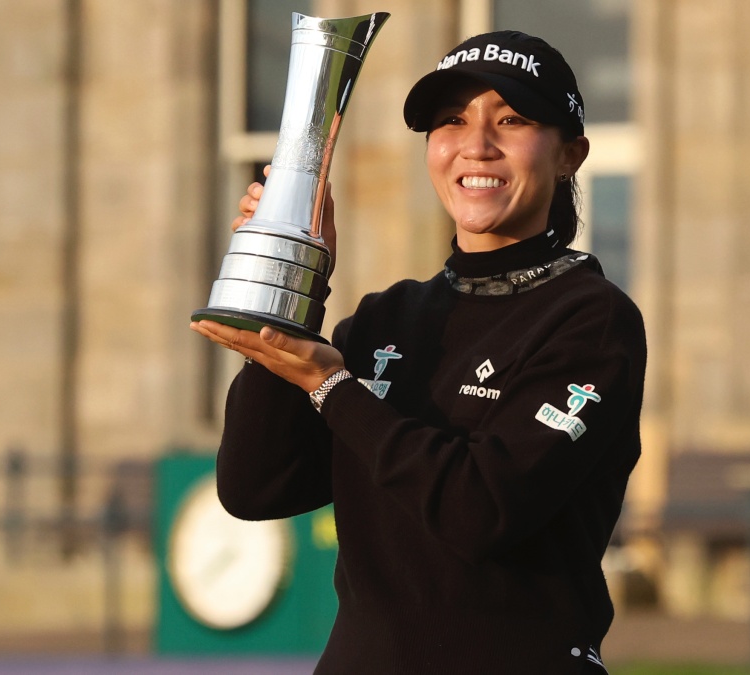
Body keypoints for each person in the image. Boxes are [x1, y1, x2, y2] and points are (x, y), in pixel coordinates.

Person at [191, 30, 646, 675]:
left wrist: (331, 386)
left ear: (570, 154)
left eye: (511, 120)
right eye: (452, 121)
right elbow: (256, 487)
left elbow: (481, 510)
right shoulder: (387, 317)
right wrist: (294, 286)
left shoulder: (591, 321)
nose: (476, 145)